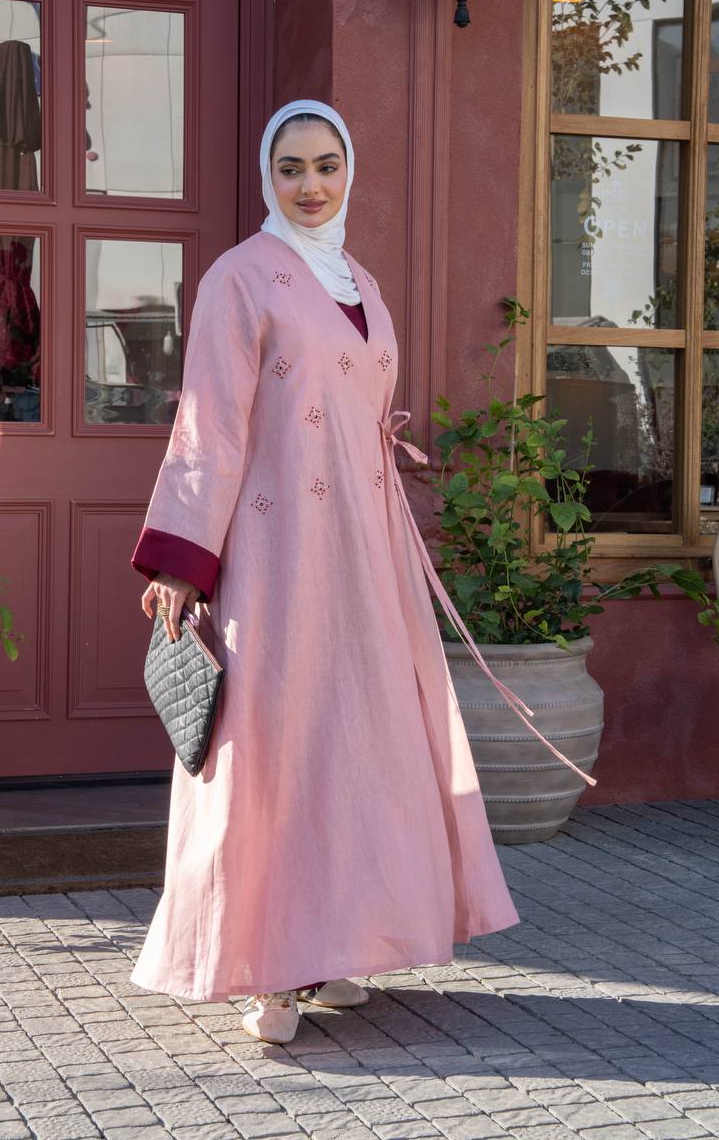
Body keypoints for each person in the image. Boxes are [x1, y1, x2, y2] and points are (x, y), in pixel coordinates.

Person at [129, 99, 591, 1045]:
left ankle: (335, 949)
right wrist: (182, 561)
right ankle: (270, 974)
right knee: (279, 740)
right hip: (275, 558)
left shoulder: (361, 282)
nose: (311, 185)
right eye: (292, 168)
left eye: (327, 165)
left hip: (364, 553)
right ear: (268, 176)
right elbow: (206, 423)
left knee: (358, 743)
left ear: (350, 171)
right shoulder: (238, 277)